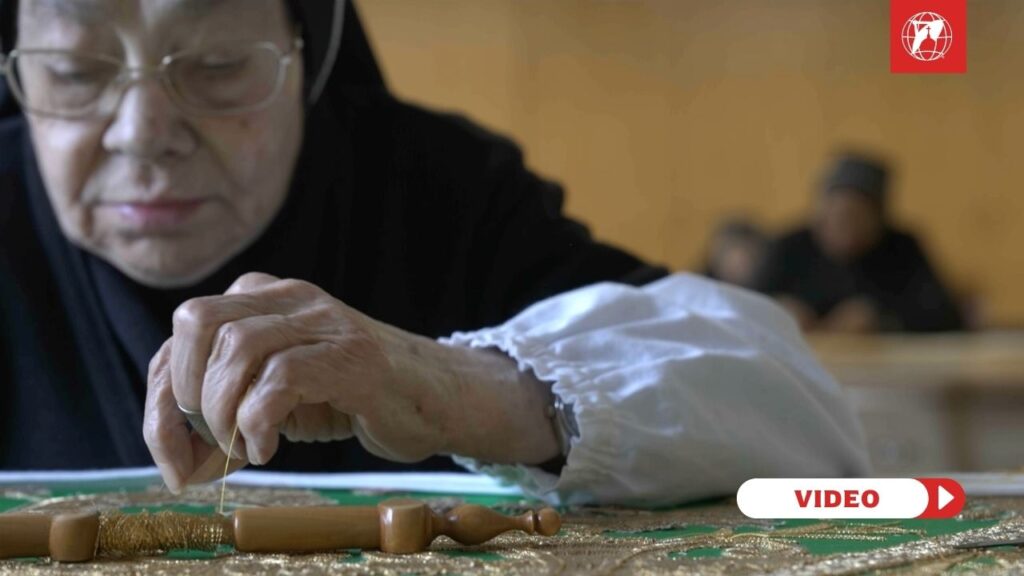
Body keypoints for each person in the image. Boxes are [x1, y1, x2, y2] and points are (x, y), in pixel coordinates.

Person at [0, 0, 869, 507]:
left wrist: (451, 386)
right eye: (74, 74)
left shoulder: (438, 189)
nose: (143, 133)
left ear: (312, 52)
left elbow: (794, 409)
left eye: (220, 65)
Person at [753, 153, 964, 333]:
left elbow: (945, 316)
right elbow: (742, 305)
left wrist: (882, 321)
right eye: (830, 214)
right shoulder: (791, 245)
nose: (839, 225)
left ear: (878, 219)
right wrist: (776, 312)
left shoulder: (902, 248)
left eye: (853, 216)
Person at [702, 218, 767, 289]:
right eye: (734, 266)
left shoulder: (772, 279)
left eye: (743, 263)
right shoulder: (705, 285)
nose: (740, 270)